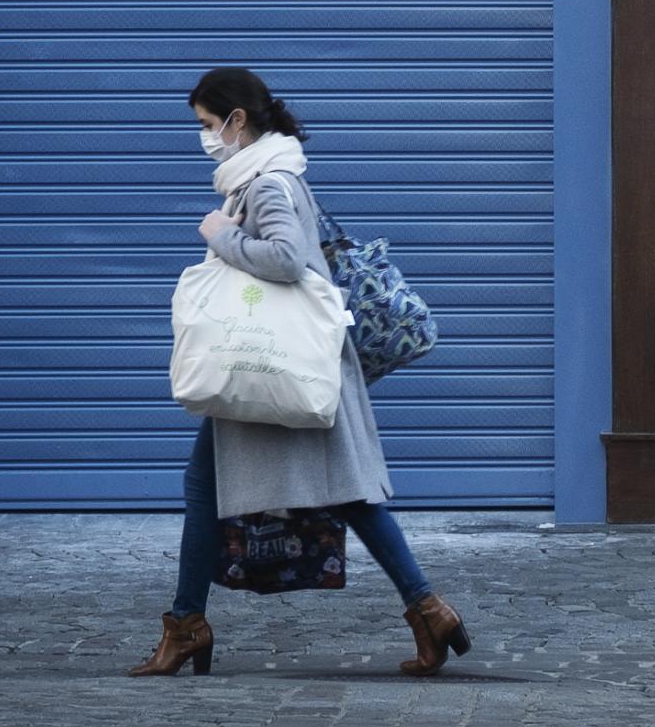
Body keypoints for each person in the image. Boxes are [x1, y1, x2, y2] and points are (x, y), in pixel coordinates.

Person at [130, 66, 470, 680]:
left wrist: (221, 235)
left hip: (277, 366)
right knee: (324, 492)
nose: (204, 138)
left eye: (208, 125)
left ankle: (187, 628)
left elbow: (286, 260)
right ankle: (428, 611)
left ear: (238, 121)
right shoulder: (271, 175)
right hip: (288, 365)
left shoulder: (267, 183)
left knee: (305, 492)